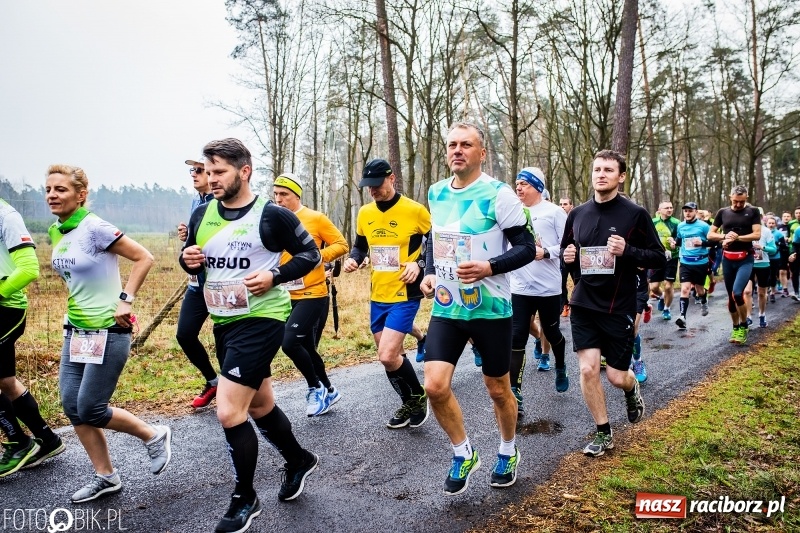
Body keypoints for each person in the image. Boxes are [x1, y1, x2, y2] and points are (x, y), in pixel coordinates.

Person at [180, 139, 321, 533]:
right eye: (208, 172)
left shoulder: (272, 215)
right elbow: (193, 261)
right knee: (259, 405)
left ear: (244, 172)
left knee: (229, 411)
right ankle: (299, 460)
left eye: (219, 171)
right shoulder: (202, 213)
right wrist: (187, 259)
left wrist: (275, 275)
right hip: (224, 321)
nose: (211, 179)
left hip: (262, 318)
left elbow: (311, 255)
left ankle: (245, 497)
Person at [419, 122, 536, 495]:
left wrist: (490, 267)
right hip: (447, 307)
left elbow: (527, 248)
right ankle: (463, 452)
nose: (457, 150)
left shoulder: (499, 195)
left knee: (498, 389)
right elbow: (435, 241)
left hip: (491, 309)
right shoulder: (436, 192)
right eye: (452, 144)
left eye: (466, 145)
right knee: (434, 386)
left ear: (481, 153)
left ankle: (508, 450)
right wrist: (430, 272)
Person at [45, 165, 171, 502]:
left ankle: (153, 434)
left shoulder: (95, 228)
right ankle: (106, 476)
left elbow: (144, 257)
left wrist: (125, 300)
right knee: (72, 406)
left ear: (81, 194)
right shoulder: (57, 231)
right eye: (49, 190)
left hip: (108, 330)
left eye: (61, 189)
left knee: (90, 407)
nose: (52, 195)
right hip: (76, 331)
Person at [561, 150, 665, 457]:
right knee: (587, 369)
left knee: (616, 376)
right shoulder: (577, 214)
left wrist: (628, 250)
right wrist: (568, 258)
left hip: (618, 305)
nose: (601, 174)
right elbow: (569, 253)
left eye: (608, 170)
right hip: (584, 303)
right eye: (597, 169)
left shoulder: (635, 214)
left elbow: (659, 257)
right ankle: (603, 431)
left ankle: (631, 388)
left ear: (621, 176)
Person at [343, 158, 430, 429]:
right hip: (378, 294)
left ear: (392, 179)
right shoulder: (365, 213)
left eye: (377, 184)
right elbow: (360, 246)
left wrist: (420, 264)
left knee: (387, 355)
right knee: (392, 358)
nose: (373, 190)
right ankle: (410, 403)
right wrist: (354, 259)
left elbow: (437, 243)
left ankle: (418, 396)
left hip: (405, 293)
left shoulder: (414, 210)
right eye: (368, 186)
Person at [272, 172, 348, 416]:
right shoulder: (272, 220)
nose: (279, 199)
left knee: (289, 342)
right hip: (285, 295)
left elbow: (342, 245)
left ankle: (315, 388)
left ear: (296, 195)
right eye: (275, 194)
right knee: (306, 346)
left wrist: (316, 258)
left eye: (284, 194)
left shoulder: (315, 218)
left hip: (313, 293)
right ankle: (329, 390)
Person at [0, 198, 65, 477]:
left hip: (6, 307)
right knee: (5, 381)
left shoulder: (6, 216)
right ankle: (47, 439)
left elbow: (28, 269)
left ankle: (19, 443)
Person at [509, 167, 569, 418]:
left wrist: (546, 252)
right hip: (519, 286)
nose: (518, 187)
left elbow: (567, 246)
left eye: (524, 183)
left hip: (548, 287)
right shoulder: (512, 212)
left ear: (537, 186)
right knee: (517, 337)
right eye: (517, 183)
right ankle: (515, 392)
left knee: (551, 332)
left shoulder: (554, 212)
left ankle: (561, 366)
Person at [177, 159, 219, 409]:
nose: (194, 174)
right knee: (184, 334)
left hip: (219, 282)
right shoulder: (196, 202)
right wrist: (187, 237)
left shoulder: (221, 202)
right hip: (196, 284)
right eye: (193, 170)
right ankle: (213, 382)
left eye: (200, 170)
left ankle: (237, 386)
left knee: (225, 338)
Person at [707, 185, 761, 345]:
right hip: (728, 259)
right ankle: (735, 327)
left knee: (737, 293)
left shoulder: (753, 211)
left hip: (745, 259)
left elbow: (757, 234)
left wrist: (737, 238)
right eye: (735, 201)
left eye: (742, 202)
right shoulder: (723, 212)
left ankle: (744, 326)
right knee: (731, 298)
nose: (738, 204)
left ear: (746, 198)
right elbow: (710, 234)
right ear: (730, 197)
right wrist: (724, 237)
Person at [674, 202, 711, 329]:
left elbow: (714, 242)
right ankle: (682, 317)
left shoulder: (704, 226)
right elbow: (679, 241)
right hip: (685, 262)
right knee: (685, 289)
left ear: (696, 211)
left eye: (690, 211)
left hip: (700, 262)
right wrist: (674, 243)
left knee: (700, 290)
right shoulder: (680, 226)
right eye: (685, 211)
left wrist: (702, 243)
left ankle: (704, 301)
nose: (688, 213)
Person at [649, 201, 680, 320]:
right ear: (659, 210)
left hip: (671, 257)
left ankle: (667, 309)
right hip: (656, 257)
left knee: (668, 286)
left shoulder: (676, 223)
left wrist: (674, 243)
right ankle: (662, 297)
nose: (669, 210)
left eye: (671, 207)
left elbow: (680, 238)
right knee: (654, 287)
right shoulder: (653, 222)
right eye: (666, 208)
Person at [751, 215, 776, 328]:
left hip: (763, 264)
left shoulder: (766, 231)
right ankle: (748, 317)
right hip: (747, 265)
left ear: (761, 218)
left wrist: (762, 247)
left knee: (761, 293)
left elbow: (774, 249)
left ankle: (762, 314)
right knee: (747, 292)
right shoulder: (745, 230)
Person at [559, 197, 577, 317]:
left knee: (577, 282)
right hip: (563, 256)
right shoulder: (556, 217)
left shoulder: (576, 217)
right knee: (561, 282)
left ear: (571, 206)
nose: (562, 206)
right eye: (560, 204)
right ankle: (565, 305)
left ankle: (576, 304)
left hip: (576, 257)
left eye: (565, 204)